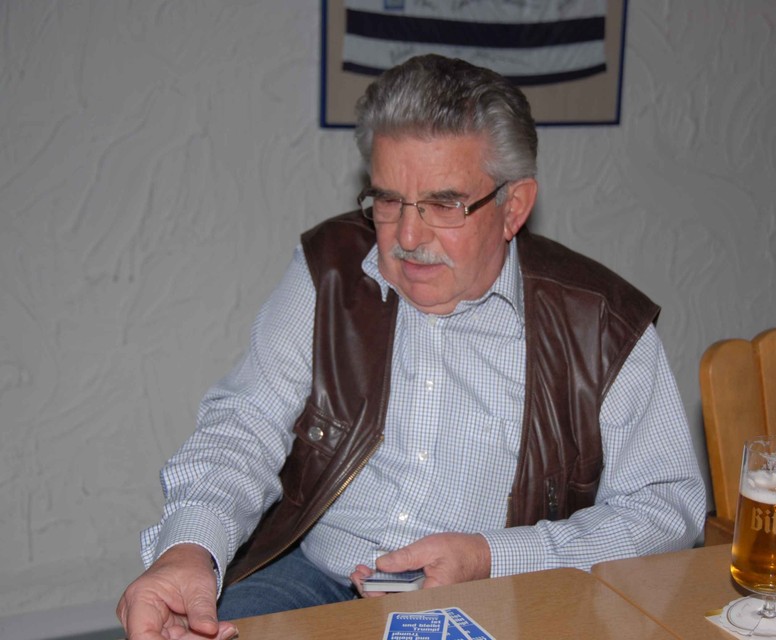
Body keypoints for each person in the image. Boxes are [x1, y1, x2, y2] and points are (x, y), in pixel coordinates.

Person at [116, 54, 706, 640]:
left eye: (444, 204)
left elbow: (665, 509)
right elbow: (246, 425)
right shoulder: (330, 273)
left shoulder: (600, 322)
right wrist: (188, 549)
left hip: (503, 594)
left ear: (513, 207)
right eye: (388, 200)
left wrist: (493, 558)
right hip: (315, 577)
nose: (407, 235)